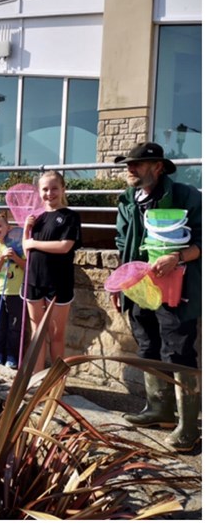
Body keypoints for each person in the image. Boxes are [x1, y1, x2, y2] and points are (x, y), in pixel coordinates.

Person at [112, 142, 201, 452]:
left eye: (136, 164)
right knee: (148, 345)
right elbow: (122, 242)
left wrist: (177, 257)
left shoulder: (186, 196)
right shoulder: (126, 201)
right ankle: (159, 409)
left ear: (158, 167)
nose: (129, 169)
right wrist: (121, 283)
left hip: (177, 289)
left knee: (178, 352)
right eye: (128, 164)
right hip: (139, 289)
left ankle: (189, 426)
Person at [22, 171, 82, 374]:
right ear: (39, 192)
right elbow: (26, 250)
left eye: (54, 188)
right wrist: (26, 229)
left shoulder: (70, 216)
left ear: (63, 188)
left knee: (56, 335)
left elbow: (65, 246)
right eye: (45, 189)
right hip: (33, 280)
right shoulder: (36, 218)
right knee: (37, 334)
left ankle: (56, 381)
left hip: (58, 282)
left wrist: (33, 242)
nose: (50, 193)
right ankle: (37, 378)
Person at [0, 212, 26, 368]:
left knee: (14, 327)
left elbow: (26, 266)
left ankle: (12, 356)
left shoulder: (19, 244)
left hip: (16, 293)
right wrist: (2, 257)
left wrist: (15, 257)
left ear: (8, 228)